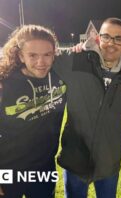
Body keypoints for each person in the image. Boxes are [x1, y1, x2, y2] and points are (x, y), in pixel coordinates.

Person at [53, 18, 121, 198]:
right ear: (98, 38)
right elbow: (39, 59)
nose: (111, 44)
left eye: (118, 39)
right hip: (75, 158)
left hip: (109, 163)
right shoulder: (75, 60)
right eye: (106, 37)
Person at [0, 25, 66, 198]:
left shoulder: (59, 76)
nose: (41, 62)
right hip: (7, 170)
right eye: (32, 55)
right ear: (21, 55)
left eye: (47, 55)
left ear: (54, 54)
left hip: (44, 168)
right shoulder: (5, 84)